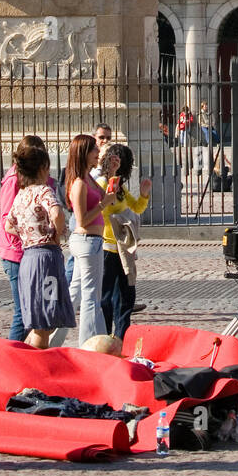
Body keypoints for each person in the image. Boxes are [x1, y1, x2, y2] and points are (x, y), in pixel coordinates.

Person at [4, 137, 74, 350]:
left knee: (38, 320)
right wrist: (55, 234)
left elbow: (8, 226)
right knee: (45, 321)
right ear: (43, 168)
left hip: (28, 259)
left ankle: (32, 356)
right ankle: (37, 363)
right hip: (46, 260)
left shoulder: (21, 195)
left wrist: (28, 234)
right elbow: (56, 212)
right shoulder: (43, 191)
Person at [0, 133, 54, 342]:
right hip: (16, 253)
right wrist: (32, 234)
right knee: (23, 313)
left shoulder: (36, 181)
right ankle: (11, 358)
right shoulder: (13, 180)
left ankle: (25, 356)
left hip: (28, 252)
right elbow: (7, 219)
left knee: (32, 311)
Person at [97, 142, 152, 339]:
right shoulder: (103, 184)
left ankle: (121, 338)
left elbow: (136, 207)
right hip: (107, 247)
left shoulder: (119, 187)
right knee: (106, 298)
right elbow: (99, 210)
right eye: (113, 162)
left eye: (119, 162)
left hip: (123, 249)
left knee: (126, 295)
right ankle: (105, 337)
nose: (117, 166)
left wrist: (144, 194)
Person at [66, 133, 116, 346]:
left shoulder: (90, 179)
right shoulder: (79, 183)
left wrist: (112, 174)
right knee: (91, 298)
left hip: (92, 241)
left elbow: (104, 198)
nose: (98, 153)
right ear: (84, 153)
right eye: (94, 149)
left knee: (75, 293)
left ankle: (53, 337)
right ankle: (89, 344)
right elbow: (82, 220)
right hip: (87, 241)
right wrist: (104, 205)